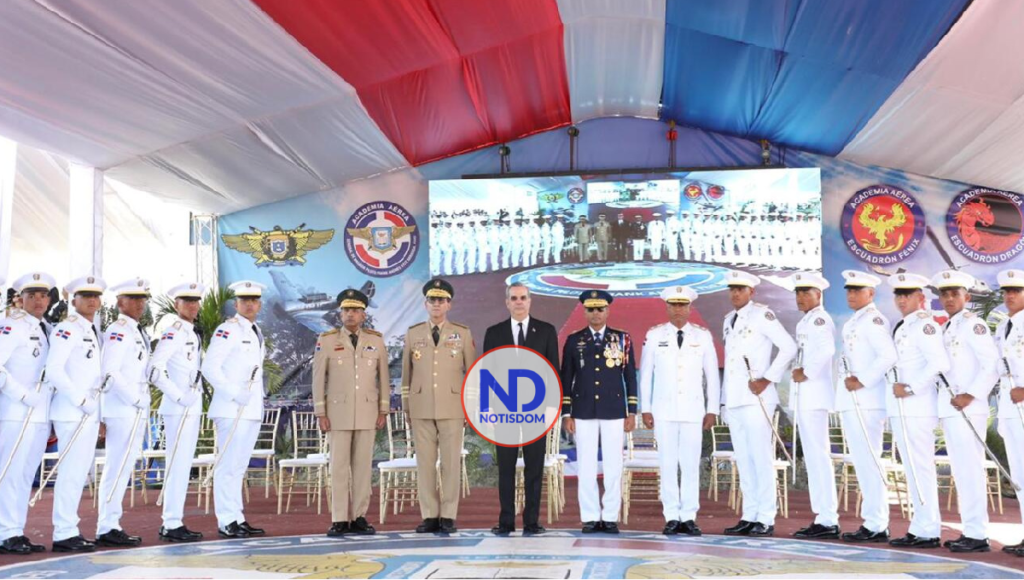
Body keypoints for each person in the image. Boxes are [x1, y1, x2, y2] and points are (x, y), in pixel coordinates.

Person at [720, 270, 796, 537]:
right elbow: (729, 365)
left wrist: (768, 379)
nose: (735, 293)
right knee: (743, 458)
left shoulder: (762, 315)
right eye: (732, 289)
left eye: (740, 289)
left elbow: (788, 346)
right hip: (736, 399)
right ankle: (749, 514)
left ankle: (765, 517)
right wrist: (723, 403)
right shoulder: (729, 320)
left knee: (760, 458)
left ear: (751, 292)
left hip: (757, 399)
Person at [639, 285, 719, 536]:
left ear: (690, 307)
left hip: (694, 410)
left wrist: (712, 408)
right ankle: (672, 515)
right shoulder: (654, 335)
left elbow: (712, 375)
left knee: (690, 463)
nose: (678, 310)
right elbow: (645, 373)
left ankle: (689, 516)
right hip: (663, 409)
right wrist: (646, 407)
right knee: (667, 463)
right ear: (667, 307)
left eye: (682, 305)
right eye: (673, 305)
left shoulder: (702, 336)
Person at [485, 282, 559, 536]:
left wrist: (551, 407)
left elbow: (553, 372)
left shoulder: (547, 331)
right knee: (505, 468)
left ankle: (531, 522)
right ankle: (506, 522)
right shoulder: (494, 333)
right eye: (514, 298)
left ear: (530, 301)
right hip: (504, 411)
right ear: (507, 302)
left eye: (523, 297)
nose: (519, 302)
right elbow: (488, 374)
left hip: (536, 411)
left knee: (534, 468)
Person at [401, 278, 475, 534]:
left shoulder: (462, 333)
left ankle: (449, 515)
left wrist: (470, 407)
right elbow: (406, 375)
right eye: (432, 300)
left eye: (441, 300)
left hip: (453, 406)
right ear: (425, 304)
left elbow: (472, 373)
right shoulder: (413, 333)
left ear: (449, 305)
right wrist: (406, 406)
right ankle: (430, 515)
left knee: (451, 463)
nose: (436, 304)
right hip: (421, 406)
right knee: (425, 463)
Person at [560, 290, 637, 534]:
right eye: (591, 309)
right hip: (582, 410)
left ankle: (611, 516)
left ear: (608, 311)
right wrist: (566, 413)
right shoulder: (574, 340)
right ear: (584, 311)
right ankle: (591, 516)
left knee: (614, 465)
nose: (595, 313)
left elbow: (629, 376)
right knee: (586, 465)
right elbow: (566, 377)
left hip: (614, 410)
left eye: (600, 309)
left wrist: (632, 410)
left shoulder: (622, 339)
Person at [932, 269, 997, 553]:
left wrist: (970, 394)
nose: (948, 298)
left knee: (970, 470)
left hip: (968, 408)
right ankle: (970, 530)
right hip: (951, 409)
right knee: (962, 471)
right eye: (944, 294)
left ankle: (978, 534)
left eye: (954, 293)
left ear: (966, 297)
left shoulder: (973, 324)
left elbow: (991, 364)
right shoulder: (948, 327)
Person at [314, 289, 389, 537]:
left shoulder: (376, 340)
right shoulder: (326, 340)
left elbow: (384, 379)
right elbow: (318, 381)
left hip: (368, 412)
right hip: (337, 413)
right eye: (346, 310)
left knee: (362, 468)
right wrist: (320, 412)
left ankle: (358, 516)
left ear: (364, 314)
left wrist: (383, 409)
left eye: (355, 310)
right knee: (338, 467)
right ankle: (338, 518)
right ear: (340, 313)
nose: (350, 314)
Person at [201, 280, 268, 539]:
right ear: (236, 304)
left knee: (238, 467)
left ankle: (237, 516)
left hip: (250, 409)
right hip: (231, 409)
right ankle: (226, 520)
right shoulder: (227, 330)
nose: (249, 304)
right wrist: (233, 393)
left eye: (254, 300)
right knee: (227, 466)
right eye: (244, 300)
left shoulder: (254, 330)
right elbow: (210, 368)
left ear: (259, 305)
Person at [46, 275, 107, 553]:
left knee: (79, 473)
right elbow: (55, 370)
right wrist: (81, 400)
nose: (92, 301)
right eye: (86, 296)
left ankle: (70, 528)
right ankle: (63, 532)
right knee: (71, 473)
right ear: (74, 300)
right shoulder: (67, 328)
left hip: (88, 412)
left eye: (96, 296)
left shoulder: (91, 328)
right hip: (72, 411)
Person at [886, 273, 948, 549]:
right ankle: (920, 525)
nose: (901, 300)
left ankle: (928, 530)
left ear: (921, 298)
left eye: (907, 295)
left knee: (921, 467)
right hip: (903, 407)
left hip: (917, 407)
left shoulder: (925, 326)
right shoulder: (903, 325)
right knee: (912, 468)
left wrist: (911, 388)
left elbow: (939, 362)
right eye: (898, 295)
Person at [837, 270, 897, 543]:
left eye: (857, 290)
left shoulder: (873, 320)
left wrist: (862, 380)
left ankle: (877, 523)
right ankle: (872, 520)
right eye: (849, 290)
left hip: (868, 401)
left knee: (870, 462)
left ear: (870, 293)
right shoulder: (855, 321)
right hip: (855, 401)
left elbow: (888, 355)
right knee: (863, 463)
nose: (851, 294)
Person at [0, 272, 55, 555]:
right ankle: (5, 532)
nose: (38, 301)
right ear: (19, 299)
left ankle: (14, 530)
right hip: (16, 411)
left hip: (39, 414)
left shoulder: (46, 327)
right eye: (31, 296)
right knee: (10, 473)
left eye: (43, 296)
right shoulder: (12, 325)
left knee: (24, 475)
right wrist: (22, 395)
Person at [96, 278, 153, 548]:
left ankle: (111, 523)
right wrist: (135, 398)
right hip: (122, 408)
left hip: (134, 408)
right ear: (120, 303)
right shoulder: (119, 330)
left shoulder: (136, 330)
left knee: (123, 467)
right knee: (116, 468)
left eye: (142, 299)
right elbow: (110, 371)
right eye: (133, 299)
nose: (139, 304)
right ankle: (107, 526)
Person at [149, 282, 206, 543]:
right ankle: (171, 522)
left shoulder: (191, 332)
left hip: (189, 407)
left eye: (195, 301)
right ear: (176, 305)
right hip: (178, 407)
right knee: (177, 465)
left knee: (183, 466)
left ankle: (174, 520)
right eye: (187, 301)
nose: (192, 306)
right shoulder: (174, 332)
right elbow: (154, 369)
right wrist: (178, 395)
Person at [786, 272, 840, 540]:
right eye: (797, 293)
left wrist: (805, 371)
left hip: (814, 396)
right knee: (814, 457)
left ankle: (828, 518)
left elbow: (827, 350)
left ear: (818, 295)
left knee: (819, 457)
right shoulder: (807, 320)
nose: (800, 297)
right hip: (806, 397)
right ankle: (822, 515)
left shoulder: (819, 319)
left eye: (806, 293)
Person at [995, 268, 1024, 557]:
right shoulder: (1004, 325)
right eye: (1006, 291)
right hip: (1010, 409)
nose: (1010, 296)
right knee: (1019, 475)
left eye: (1016, 291)